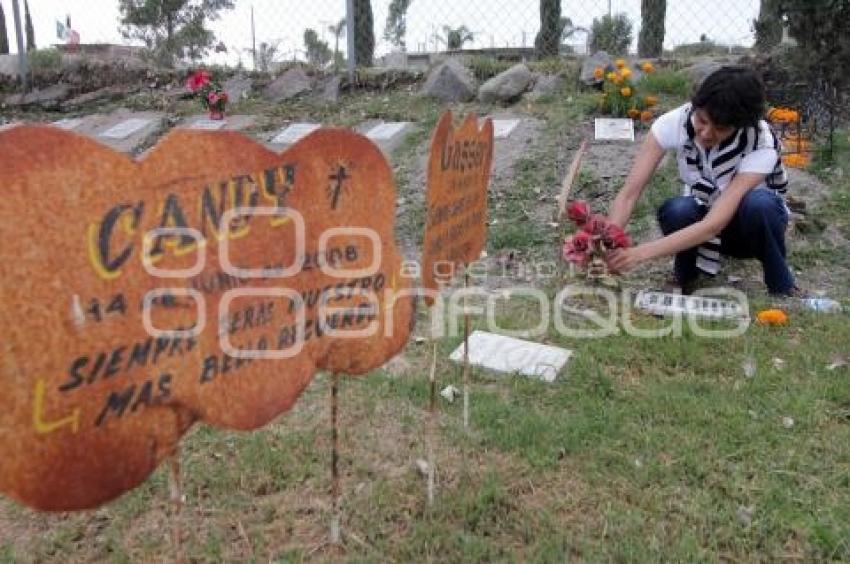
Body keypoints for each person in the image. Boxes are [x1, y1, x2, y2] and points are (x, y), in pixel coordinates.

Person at [605, 66, 798, 296]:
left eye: (721, 128)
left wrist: (637, 254)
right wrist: (608, 244)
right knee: (678, 210)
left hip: (747, 230)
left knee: (760, 205)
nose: (706, 133)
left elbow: (713, 226)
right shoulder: (673, 123)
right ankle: (684, 275)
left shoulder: (761, 142)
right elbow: (629, 194)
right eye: (702, 120)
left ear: (742, 125)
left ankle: (781, 284)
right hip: (702, 216)